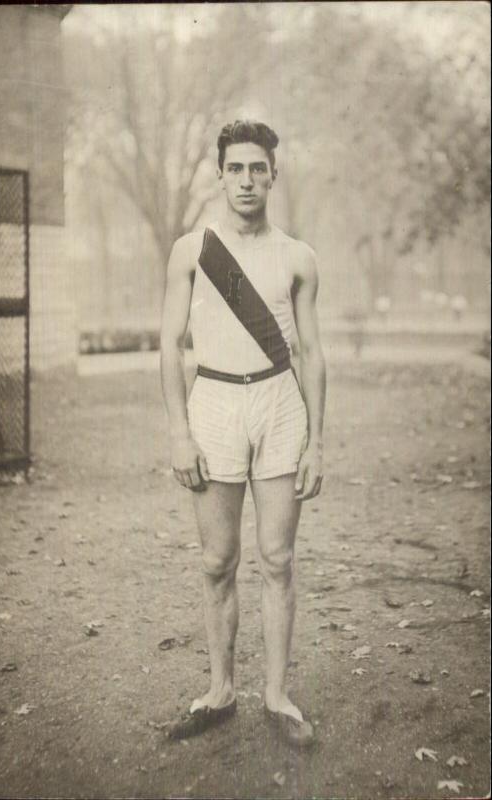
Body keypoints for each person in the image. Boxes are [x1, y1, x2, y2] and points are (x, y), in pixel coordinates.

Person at [160, 120, 326, 748]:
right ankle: (220, 688)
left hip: (279, 403)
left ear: (273, 174)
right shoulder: (192, 251)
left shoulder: (297, 256)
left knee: (278, 559)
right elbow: (169, 346)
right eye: (236, 169)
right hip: (215, 402)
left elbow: (312, 351)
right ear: (221, 175)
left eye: (259, 168)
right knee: (216, 560)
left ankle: (277, 696)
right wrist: (180, 433)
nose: (248, 180)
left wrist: (317, 441)